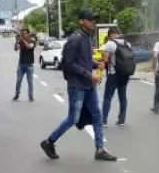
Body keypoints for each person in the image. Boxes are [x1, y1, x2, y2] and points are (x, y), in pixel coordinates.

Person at [39, 10, 117, 162]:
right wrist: (90, 74)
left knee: (97, 115)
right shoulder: (74, 39)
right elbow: (67, 64)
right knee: (73, 118)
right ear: (81, 21)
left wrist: (96, 64)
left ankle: (100, 149)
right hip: (77, 85)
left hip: (89, 85)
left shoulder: (87, 38)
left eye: (94, 20)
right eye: (90, 20)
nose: (93, 22)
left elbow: (84, 61)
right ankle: (49, 142)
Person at [100, 26, 134, 126]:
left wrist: (102, 58)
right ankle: (122, 119)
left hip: (113, 74)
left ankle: (104, 120)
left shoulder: (110, 44)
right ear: (118, 33)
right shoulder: (127, 44)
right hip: (125, 74)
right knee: (123, 97)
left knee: (107, 97)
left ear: (110, 34)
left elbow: (105, 60)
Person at [13, 28, 35, 101]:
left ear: (28, 34)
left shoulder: (32, 41)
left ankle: (31, 96)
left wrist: (22, 40)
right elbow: (16, 49)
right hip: (21, 64)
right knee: (18, 80)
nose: (24, 35)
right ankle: (17, 94)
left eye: (25, 33)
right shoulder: (21, 42)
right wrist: (17, 41)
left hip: (29, 65)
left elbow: (29, 47)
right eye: (23, 33)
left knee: (30, 82)